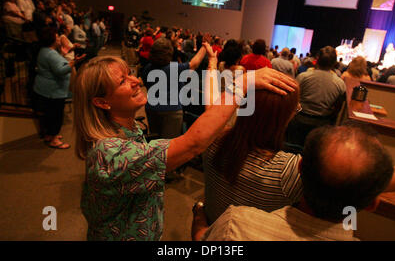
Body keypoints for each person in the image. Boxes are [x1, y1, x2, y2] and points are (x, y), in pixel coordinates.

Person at [73, 42, 297, 241]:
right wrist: (241, 84)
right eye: (123, 80)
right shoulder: (109, 152)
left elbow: (209, 118)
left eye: (130, 73)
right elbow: (193, 142)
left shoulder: (126, 130)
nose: (135, 80)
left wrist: (212, 61)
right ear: (102, 102)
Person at [193, 124, 395, 241]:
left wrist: (199, 214)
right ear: (372, 204)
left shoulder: (235, 224)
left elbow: (202, 239)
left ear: (299, 168)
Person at [203, 85, 302, 224]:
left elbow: (211, 109)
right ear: (284, 118)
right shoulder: (289, 171)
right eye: (296, 109)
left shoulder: (211, 139)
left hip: (210, 226)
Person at [286, 46, 346, 148]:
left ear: (317, 60)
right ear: (334, 63)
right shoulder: (340, 84)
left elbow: (292, 98)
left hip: (299, 121)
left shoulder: (303, 77)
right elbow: (338, 108)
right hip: (322, 126)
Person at [33, 27, 82, 149]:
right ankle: (54, 139)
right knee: (56, 115)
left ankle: (49, 135)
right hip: (53, 90)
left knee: (49, 113)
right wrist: (73, 63)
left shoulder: (44, 50)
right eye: (57, 37)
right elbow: (60, 71)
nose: (59, 38)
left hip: (46, 88)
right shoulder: (50, 54)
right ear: (52, 40)